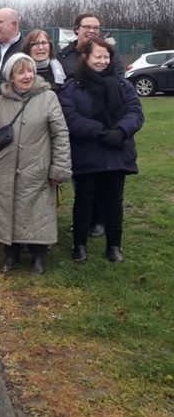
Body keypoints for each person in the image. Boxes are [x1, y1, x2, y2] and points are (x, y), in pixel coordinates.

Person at [0, 54, 72, 275]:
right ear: (10, 76)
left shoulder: (48, 97)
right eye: (21, 72)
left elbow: (60, 134)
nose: (27, 75)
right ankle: (11, 254)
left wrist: (59, 167)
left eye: (30, 71)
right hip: (5, 169)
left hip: (36, 168)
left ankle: (38, 256)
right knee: (7, 211)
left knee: (37, 213)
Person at [58, 37, 144, 263]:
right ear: (85, 57)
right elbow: (70, 117)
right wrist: (98, 131)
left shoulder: (123, 85)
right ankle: (79, 245)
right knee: (84, 199)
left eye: (106, 56)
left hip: (117, 150)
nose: (103, 61)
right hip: (87, 151)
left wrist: (121, 131)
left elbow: (135, 113)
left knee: (114, 201)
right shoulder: (72, 87)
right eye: (98, 56)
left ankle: (114, 245)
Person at [58, 13, 125, 80]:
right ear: (77, 29)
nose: (92, 31)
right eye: (87, 27)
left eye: (96, 28)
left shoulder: (110, 52)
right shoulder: (64, 55)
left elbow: (119, 78)